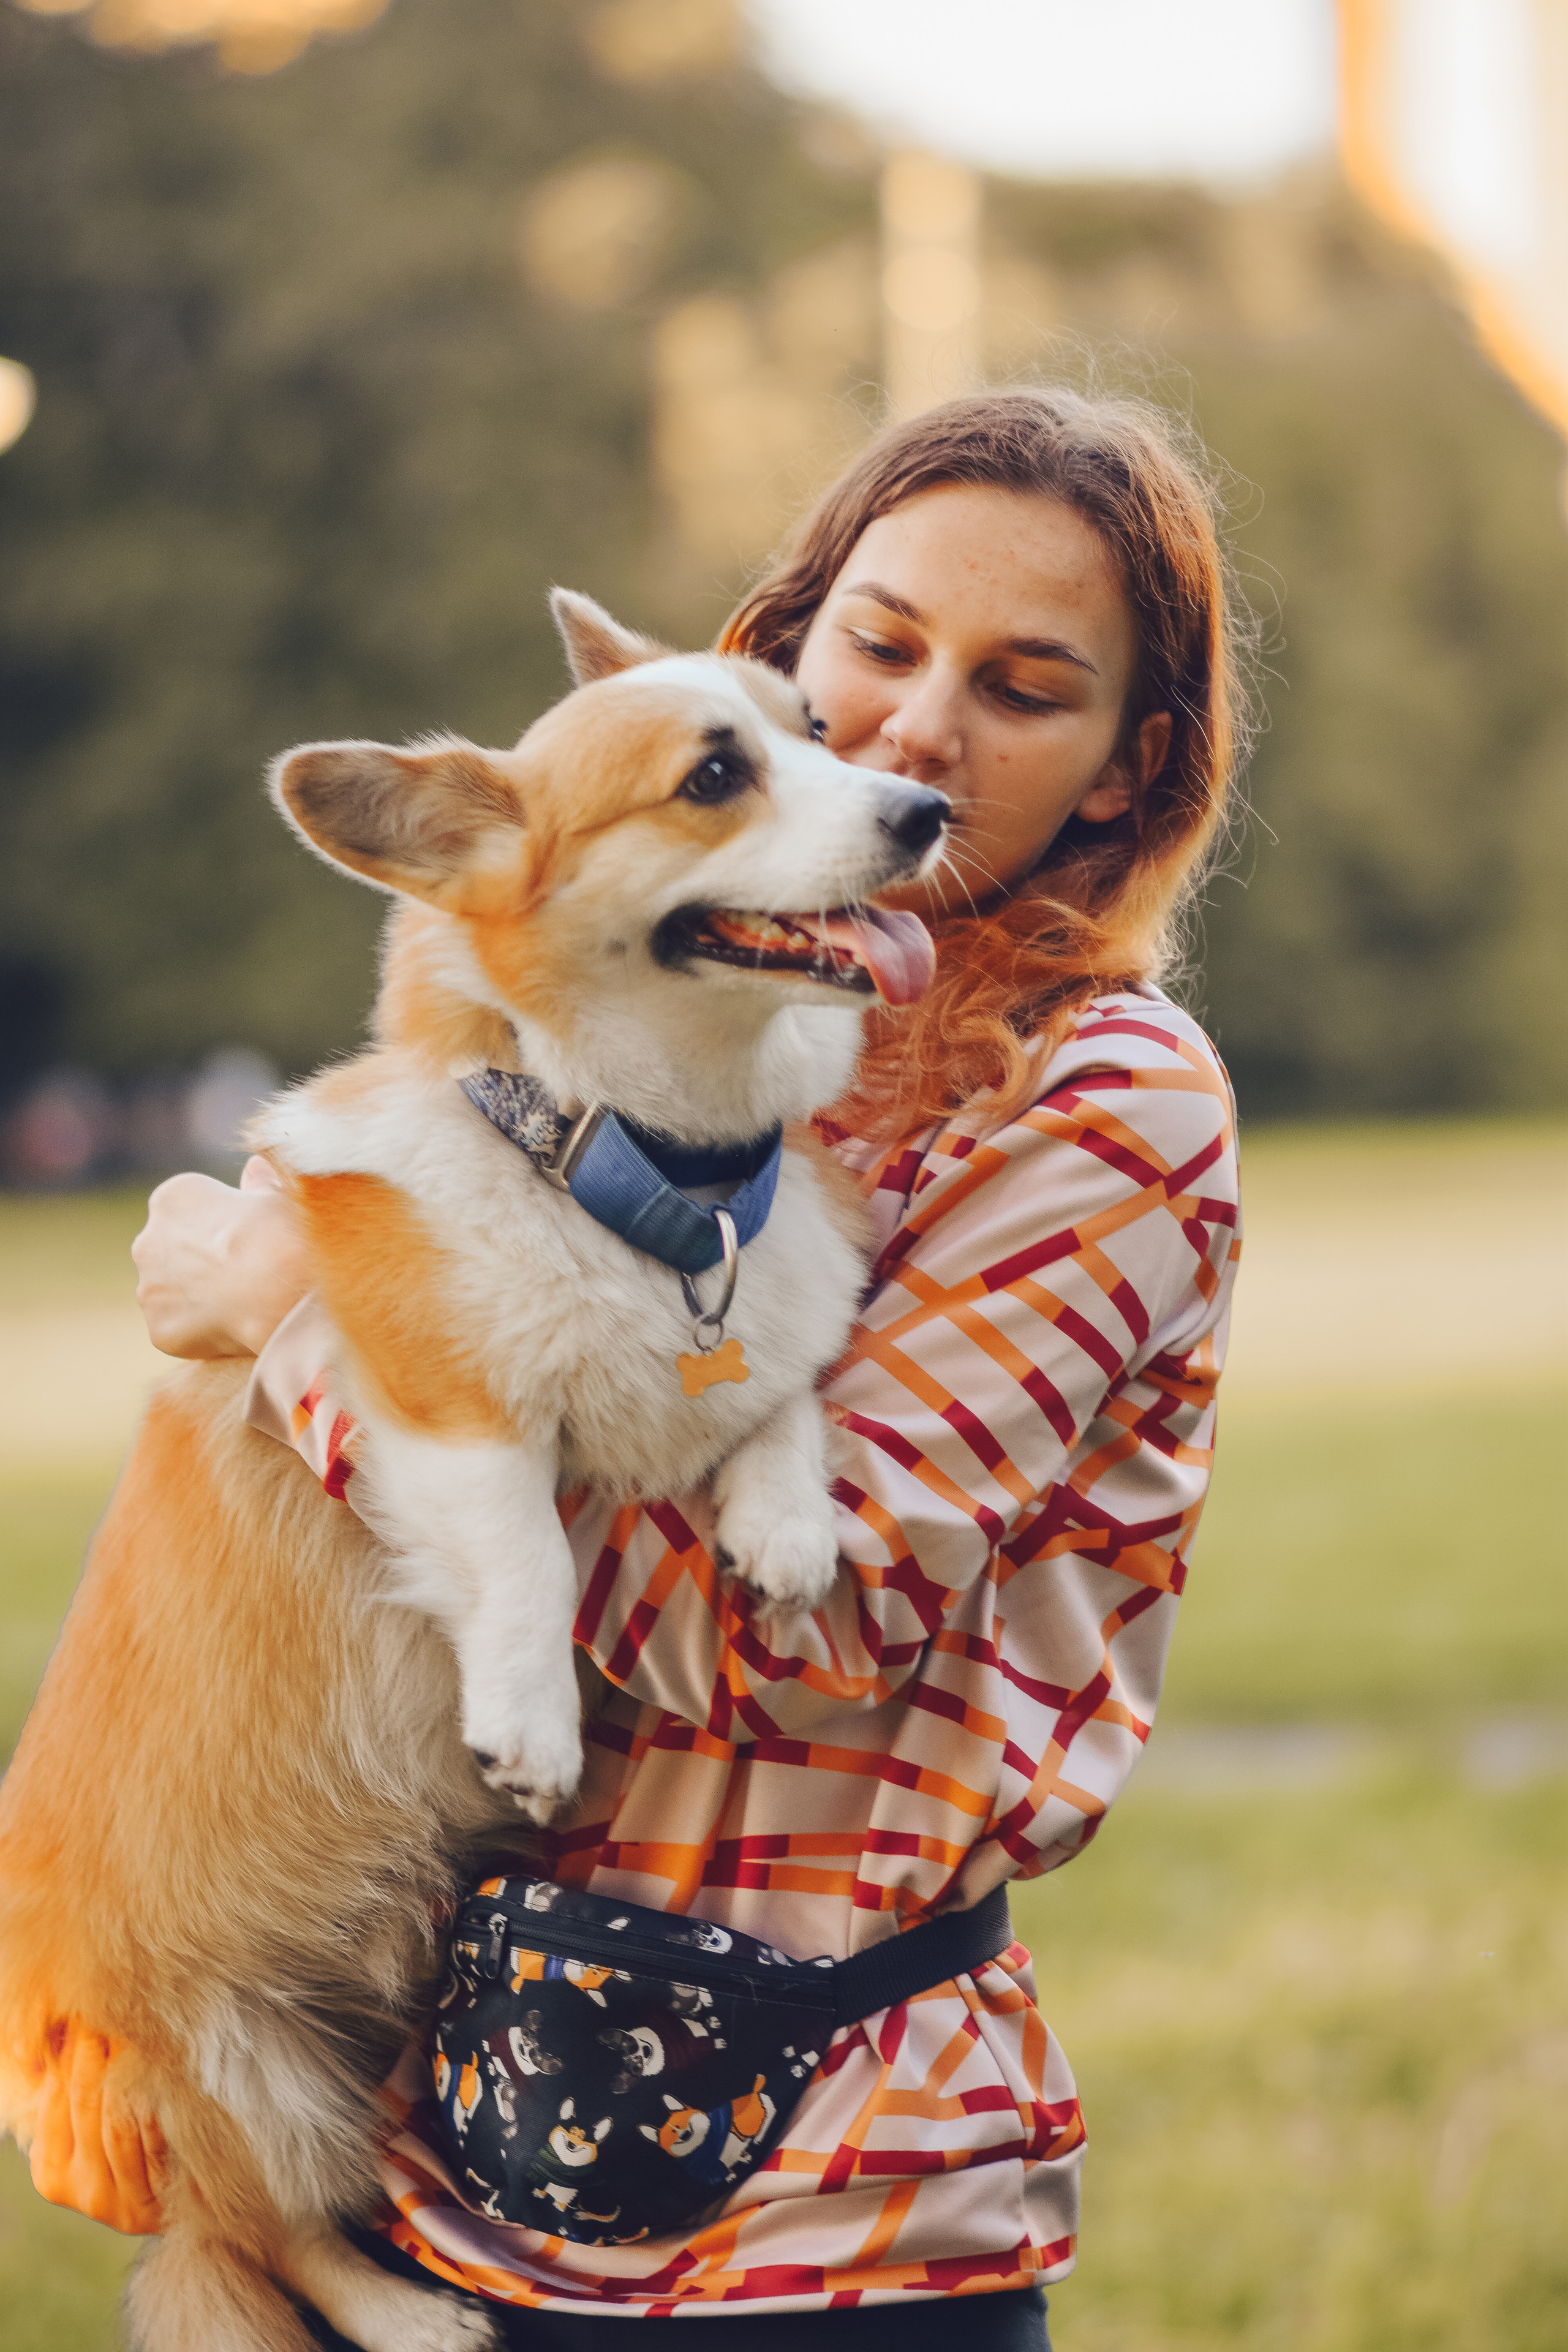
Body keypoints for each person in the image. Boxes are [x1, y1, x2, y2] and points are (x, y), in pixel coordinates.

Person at [32, 387, 1244, 2347]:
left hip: (819, 2204)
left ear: (1130, 766)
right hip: (457, 2143)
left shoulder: (1111, 1105)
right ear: (789, 642)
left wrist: (294, 1322)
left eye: (1025, 689)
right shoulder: (694, 1007)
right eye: (879, 646)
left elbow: (787, 1629)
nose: (917, 730)